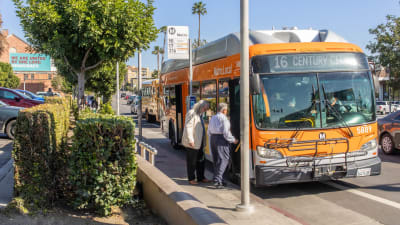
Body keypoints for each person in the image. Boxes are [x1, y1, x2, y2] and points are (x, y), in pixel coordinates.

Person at [208, 103, 238, 189]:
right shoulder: (224, 119)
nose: (227, 111)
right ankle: (217, 181)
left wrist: (213, 138)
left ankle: (219, 179)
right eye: (226, 109)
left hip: (213, 138)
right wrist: (233, 140)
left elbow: (209, 131)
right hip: (221, 140)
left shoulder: (213, 117)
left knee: (217, 160)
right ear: (224, 110)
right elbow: (226, 132)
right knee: (224, 159)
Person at [181, 100, 211, 185]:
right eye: (205, 109)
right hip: (193, 142)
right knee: (192, 161)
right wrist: (190, 140)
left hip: (199, 142)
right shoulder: (192, 113)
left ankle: (201, 177)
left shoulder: (199, 114)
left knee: (201, 160)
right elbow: (188, 127)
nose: (205, 111)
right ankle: (191, 178)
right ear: (201, 107)